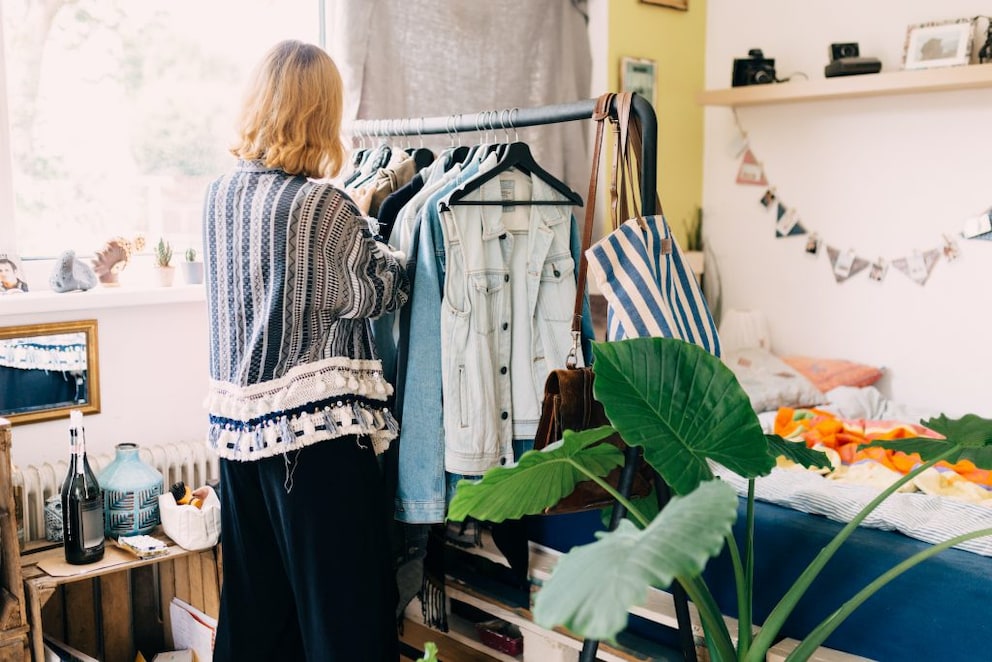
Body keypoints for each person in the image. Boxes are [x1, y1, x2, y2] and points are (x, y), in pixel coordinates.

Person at [201, 40, 409, 661]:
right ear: (320, 113)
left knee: (259, 618)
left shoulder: (218, 196)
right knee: (343, 621)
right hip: (316, 446)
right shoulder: (320, 204)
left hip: (239, 443)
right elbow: (377, 290)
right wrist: (377, 231)